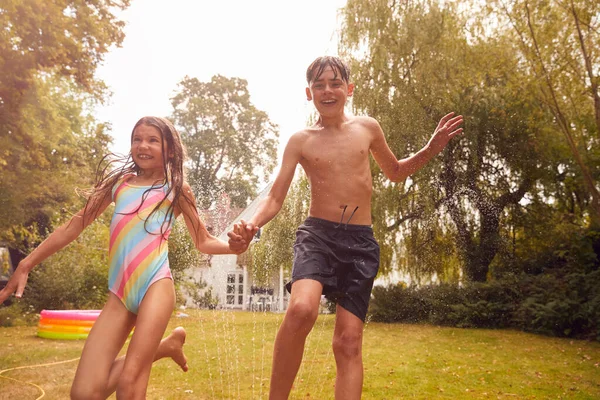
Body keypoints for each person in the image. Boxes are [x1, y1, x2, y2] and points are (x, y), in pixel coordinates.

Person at [229, 56, 464, 400]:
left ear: (349, 89)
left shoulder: (367, 128)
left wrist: (431, 148)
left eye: (335, 83)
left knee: (349, 342)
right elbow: (276, 198)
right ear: (308, 93)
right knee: (301, 309)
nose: (328, 90)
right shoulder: (300, 141)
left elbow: (395, 172)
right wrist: (251, 224)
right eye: (319, 85)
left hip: (360, 242)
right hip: (318, 236)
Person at [0, 116, 250, 400]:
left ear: (169, 149)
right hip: (119, 292)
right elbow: (75, 224)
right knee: (83, 394)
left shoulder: (177, 190)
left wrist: (235, 248)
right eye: (137, 139)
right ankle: (164, 347)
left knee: (129, 386)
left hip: (155, 285)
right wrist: (26, 262)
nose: (143, 146)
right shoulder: (120, 184)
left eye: (153, 140)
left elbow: (203, 241)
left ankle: (158, 350)